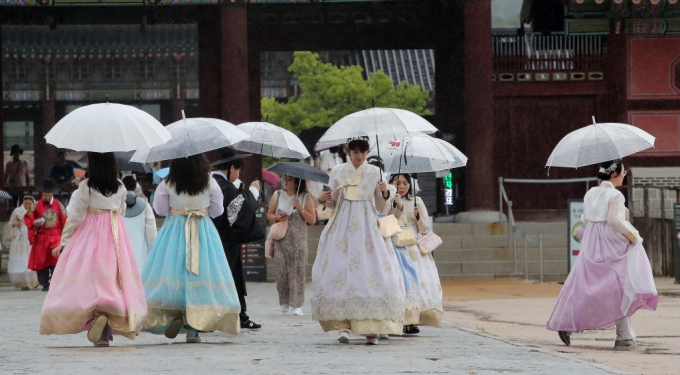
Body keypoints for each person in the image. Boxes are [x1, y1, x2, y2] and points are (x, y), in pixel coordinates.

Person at [547, 159, 658, 350]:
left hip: (592, 244)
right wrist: (634, 237)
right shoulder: (615, 195)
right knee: (623, 286)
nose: (625, 174)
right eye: (623, 171)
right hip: (611, 244)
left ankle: (567, 324)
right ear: (614, 174)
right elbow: (614, 221)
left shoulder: (591, 192)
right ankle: (623, 336)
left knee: (583, 286)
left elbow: (585, 218)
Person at [41, 152, 147, 347]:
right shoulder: (120, 186)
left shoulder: (86, 186)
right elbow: (121, 211)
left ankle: (97, 317)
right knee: (114, 278)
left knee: (90, 276)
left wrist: (64, 241)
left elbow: (75, 216)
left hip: (91, 233)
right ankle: (106, 327)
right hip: (116, 234)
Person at [312, 136, 405, 345]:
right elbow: (333, 202)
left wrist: (384, 192)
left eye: (362, 152)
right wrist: (322, 198)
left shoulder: (375, 172)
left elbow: (381, 207)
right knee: (341, 269)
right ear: (348, 151)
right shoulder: (337, 171)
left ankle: (371, 327)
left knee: (370, 270)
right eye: (355, 152)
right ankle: (343, 324)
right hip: (343, 222)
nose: (359, 156)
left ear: (367, 151)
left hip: (367, 222)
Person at [143, 153, 241, 343]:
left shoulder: (167, 183)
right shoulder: (210, 182)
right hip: (202, 230)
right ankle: (193, 327)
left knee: (174, 274)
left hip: (173, 232)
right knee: (200, 275)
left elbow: (160, 210)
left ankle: (177, 315)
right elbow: (218, 210)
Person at [211, 148, 264, 331]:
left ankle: (237, 314)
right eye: (238, 170)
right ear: (231, 168)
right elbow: (238, 212)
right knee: (230, 276)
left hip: (212, 237)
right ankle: (237, 315)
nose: (238, 174)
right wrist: (253, 192)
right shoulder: (221, 185)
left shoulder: (213, 182)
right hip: (224, 239)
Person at [368, 157, 421, 339]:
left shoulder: (389, 189)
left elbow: (392, 217)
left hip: (385, 238)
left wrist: (397, 205)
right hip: (366, 236)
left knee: (390, 279)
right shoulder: (362, 189)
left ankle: (389, 323)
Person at [391, 173, 443, 330]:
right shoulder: (388, 200)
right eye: (397, 182)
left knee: (416, 281)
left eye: (405, 183)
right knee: (398, 281)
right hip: (394, 244)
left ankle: (411, 320)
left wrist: (419, 216)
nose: (401, 186)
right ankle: (395, 319)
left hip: (413, 246)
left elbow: (423, 228)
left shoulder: (417, 201)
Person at [266, 175, 316, 316]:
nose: (285, 182)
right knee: (281, 271)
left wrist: (300, 207)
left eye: (289, 179)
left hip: (298, 240)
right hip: (280, 239)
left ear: (297, 182)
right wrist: (276, 218)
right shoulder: (277, 195)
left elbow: (312, 220)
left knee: (297, 271)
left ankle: (297, 304)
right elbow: (269, 214)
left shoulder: (305, 197)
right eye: (284, 179)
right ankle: (284, 301)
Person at [25, 180, 67, 291]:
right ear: (41, 194)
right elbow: (28, 217)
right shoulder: (36, 205)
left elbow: (65, 220)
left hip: (55, 237)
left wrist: (65, 237)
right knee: (41, 260)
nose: (47, 197)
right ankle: (44, 284)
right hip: (41, 237)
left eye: (48, 195)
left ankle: (56, 282)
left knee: (56, 259)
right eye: (44, 195)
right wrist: (34, 223)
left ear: (52, 194)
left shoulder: (58, 205)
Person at [121, 176, 156, 274]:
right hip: (140, 251)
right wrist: (154, 245)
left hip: (121, 248)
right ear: (135, 186)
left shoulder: (117, 205)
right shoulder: (145, 205)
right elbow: (151, 229)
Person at [8, 196, 39, 290]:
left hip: (31, 236)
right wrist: (14, 224)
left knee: (30, 258)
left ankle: (33, 281)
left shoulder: (35, 211)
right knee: (21, 259)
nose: (28, 205)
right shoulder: (17, 211)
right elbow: (10, 223)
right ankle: (23, 282)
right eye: (26, 203)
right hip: (20, 237)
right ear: (23, 202)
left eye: (30, 204)